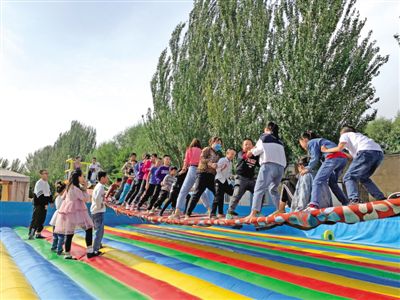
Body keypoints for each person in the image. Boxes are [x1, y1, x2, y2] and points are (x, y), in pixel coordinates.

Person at [321, 126, 386, 204]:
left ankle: (354, 200)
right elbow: (351, 157)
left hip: (366, 152)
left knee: (348, 177)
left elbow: (339, 148)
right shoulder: (358, 138)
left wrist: (326, 150)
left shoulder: (345, 135)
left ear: (343, 133)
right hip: (378, 154)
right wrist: (340, 152)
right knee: (363, 178)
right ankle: (381, 198)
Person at [244, 122, 286, 220]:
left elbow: (257, 150)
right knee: (273, 189)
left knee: (259, 189)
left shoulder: (264, 137)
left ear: (267, 129)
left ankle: (253, 213)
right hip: (280, 168)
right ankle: (281, 210)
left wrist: (250, 152)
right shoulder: (280, 141)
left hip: (268, 166)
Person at [299, 130, 349, 210]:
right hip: (342, 159)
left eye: (300, 143)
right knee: (332, 183)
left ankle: (313, 205)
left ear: (304, 139)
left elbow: (314, 159)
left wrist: (307, 168)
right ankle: (346, 202)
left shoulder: (311, 142)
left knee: (317, 181)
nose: (301, 146)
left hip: (332, 158)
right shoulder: (320, 141)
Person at [54, 169, 98, 259]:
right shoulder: (75, 188)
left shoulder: (70, 187)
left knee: (69, 232)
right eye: (82, 176)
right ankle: (90, 251)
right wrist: (85, 188)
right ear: (78, 177)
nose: (83, 178)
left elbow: (63, 197)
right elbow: (85, 198)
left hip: (69, 211)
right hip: (78, 211)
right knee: (89, 227)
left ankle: (67, 253)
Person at [171, 139, 211, 219]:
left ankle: (177, 213)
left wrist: (183, 169)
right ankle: (210, 210)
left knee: (183, 190)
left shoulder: (189, 149)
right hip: (200, 170)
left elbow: (186, 161)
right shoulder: (201, 150)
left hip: (192, 169)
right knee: (200, 191)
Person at [185, 137, 223, 219]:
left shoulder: (218, 154)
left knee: (218, 193)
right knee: (197, 194)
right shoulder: (207, 149)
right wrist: (210, 163)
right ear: (212, 143)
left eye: (220, 143)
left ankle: (214, 214)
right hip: (202, 174)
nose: (218, 144)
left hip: (211, 176)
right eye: (217, 142)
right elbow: (201, 158)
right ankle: (187, 214)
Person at [226, 139, 259, 219]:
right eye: (246, 144)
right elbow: (244, 156)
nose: (248, 146)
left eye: (250, 144)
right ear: (242, 147)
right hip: (241, 178)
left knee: (259, 193)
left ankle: (256, 212)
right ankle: (230, 212)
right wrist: (249, 153)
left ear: (252, 146)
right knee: (237, 194)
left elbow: (260, 164)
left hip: (251, 179)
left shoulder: (255, 156)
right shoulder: (241, 153)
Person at [210, 148, 236, 218]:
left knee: (234, 193)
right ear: (227, 153)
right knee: (218, 197)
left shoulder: (230, 163)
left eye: (234, 154)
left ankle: (229, 210)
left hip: (226, 181)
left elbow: (229, 173)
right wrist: (222, 168)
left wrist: (234, 176)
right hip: (219, 180)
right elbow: (217, 169)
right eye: (231, 154)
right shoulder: (222, 160)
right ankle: (213, 214)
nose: (232, 156)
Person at [29, 169, 52, 240]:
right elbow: (40, 196)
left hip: (44, 205)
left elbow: (49, 194)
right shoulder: (39, 183)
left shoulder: (47, 183)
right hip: (38, 205)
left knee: (42, 220)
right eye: (45, 173)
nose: (47, 175)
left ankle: (38, 233)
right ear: (41, 175)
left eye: (47, 173)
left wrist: (51, 202)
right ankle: (31, 234)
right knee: (36, 219)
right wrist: (45, 203)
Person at [91, 171, 108, 254]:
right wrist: (99, 206)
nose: (107, 179)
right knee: (99, 231)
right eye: (106, 177)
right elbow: (98, 198)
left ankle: (98, 244)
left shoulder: (99, 186)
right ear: (102, 178)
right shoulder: (100, 187)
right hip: (98, 212)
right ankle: (95, 250)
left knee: (99, 230)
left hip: (96, 212)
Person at [49, 180, 66, 255]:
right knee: (61, 235)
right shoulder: (62, 198)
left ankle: (54, 247)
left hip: (56, 216)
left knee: (55, 234)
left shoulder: (57, 197)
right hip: (61, 216)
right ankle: (59, 249)